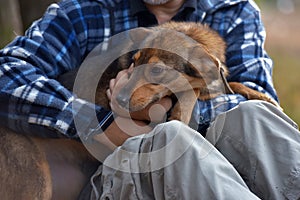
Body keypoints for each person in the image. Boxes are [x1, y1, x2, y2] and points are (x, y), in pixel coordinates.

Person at [0, 0, 299, 199]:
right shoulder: (83, 10)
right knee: (172, 139)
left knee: (252, 117)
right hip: (114, 171)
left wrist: (165, 107)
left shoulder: (233, 11)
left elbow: (260, 101)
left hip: (216, 160)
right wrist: (99, 123)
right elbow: (7, 72)